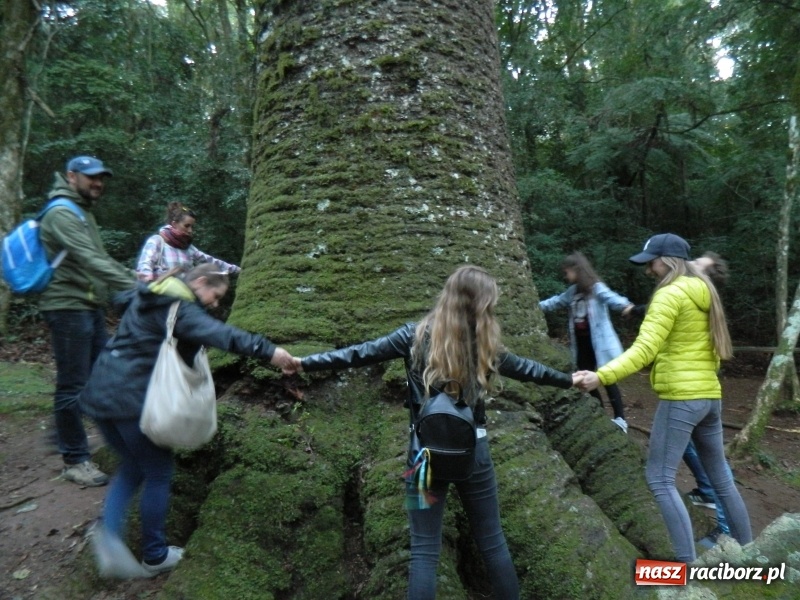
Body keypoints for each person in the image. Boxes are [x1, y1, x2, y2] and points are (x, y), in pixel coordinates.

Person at [285, 265, 581, 599]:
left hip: (421, 459)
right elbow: (530, 370)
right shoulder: (485, 345)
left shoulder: (412, 335)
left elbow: (358, 354)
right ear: (483, 304)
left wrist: (304, 362)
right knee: (493, 543)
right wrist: (569, 379)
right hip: (475, 454)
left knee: (424, 551)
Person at [79, 263, 295, 577]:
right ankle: (154, 554)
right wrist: (270, 352)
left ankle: (109, 534)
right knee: (158, 472)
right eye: (215, 295)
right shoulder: (179, 308)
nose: (215, 303)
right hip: (131, 402)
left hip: (100, 397)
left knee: (133, 467)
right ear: (201, 282)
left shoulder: (149, 295)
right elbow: (221, 334)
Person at [577, 234, 752, 562]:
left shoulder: (670, 294)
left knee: (658, 477)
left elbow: (644, 350)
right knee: (720, 478)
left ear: (667, 261)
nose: (649, 271)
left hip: (682, 400)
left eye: (652, 262)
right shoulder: (705, 291)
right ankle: (749, 552)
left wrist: (600, 376)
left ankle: (685, 568)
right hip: (709, 398)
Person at [39, 155, 138, 487]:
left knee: (105, 374)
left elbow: (100, 258)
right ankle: (74, 459)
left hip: (88, 306)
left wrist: (130, 277)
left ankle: (87, 439)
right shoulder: (62, 213)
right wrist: (136, 286)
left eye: (101, 177)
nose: (98, 182)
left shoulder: (81, 211)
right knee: (73, 384)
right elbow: (89, 259)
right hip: (67, 307)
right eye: (91, 176)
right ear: (72, 176)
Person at [539, 252, 634, 433]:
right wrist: (535, 306)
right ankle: (599, 414)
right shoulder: (573, 292)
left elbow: (612, 298)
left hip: (600, 344)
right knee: (584, 379)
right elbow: (555, 302)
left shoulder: (596, 289)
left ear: (577, 270)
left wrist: (626, 307)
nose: (566, 277)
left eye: (567, 272)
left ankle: (621, 419)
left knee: (608, 379)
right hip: (582, 345)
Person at [135, 201, 241, 282]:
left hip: (184, 299)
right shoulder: (157, 241)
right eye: (187, 226)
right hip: (160, 297)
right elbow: (145, 264)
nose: (190, 230)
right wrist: (147, 281)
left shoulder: (188, 248)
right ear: (174, 224)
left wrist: (237, 270)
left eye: (192, 226)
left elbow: (210, 261)